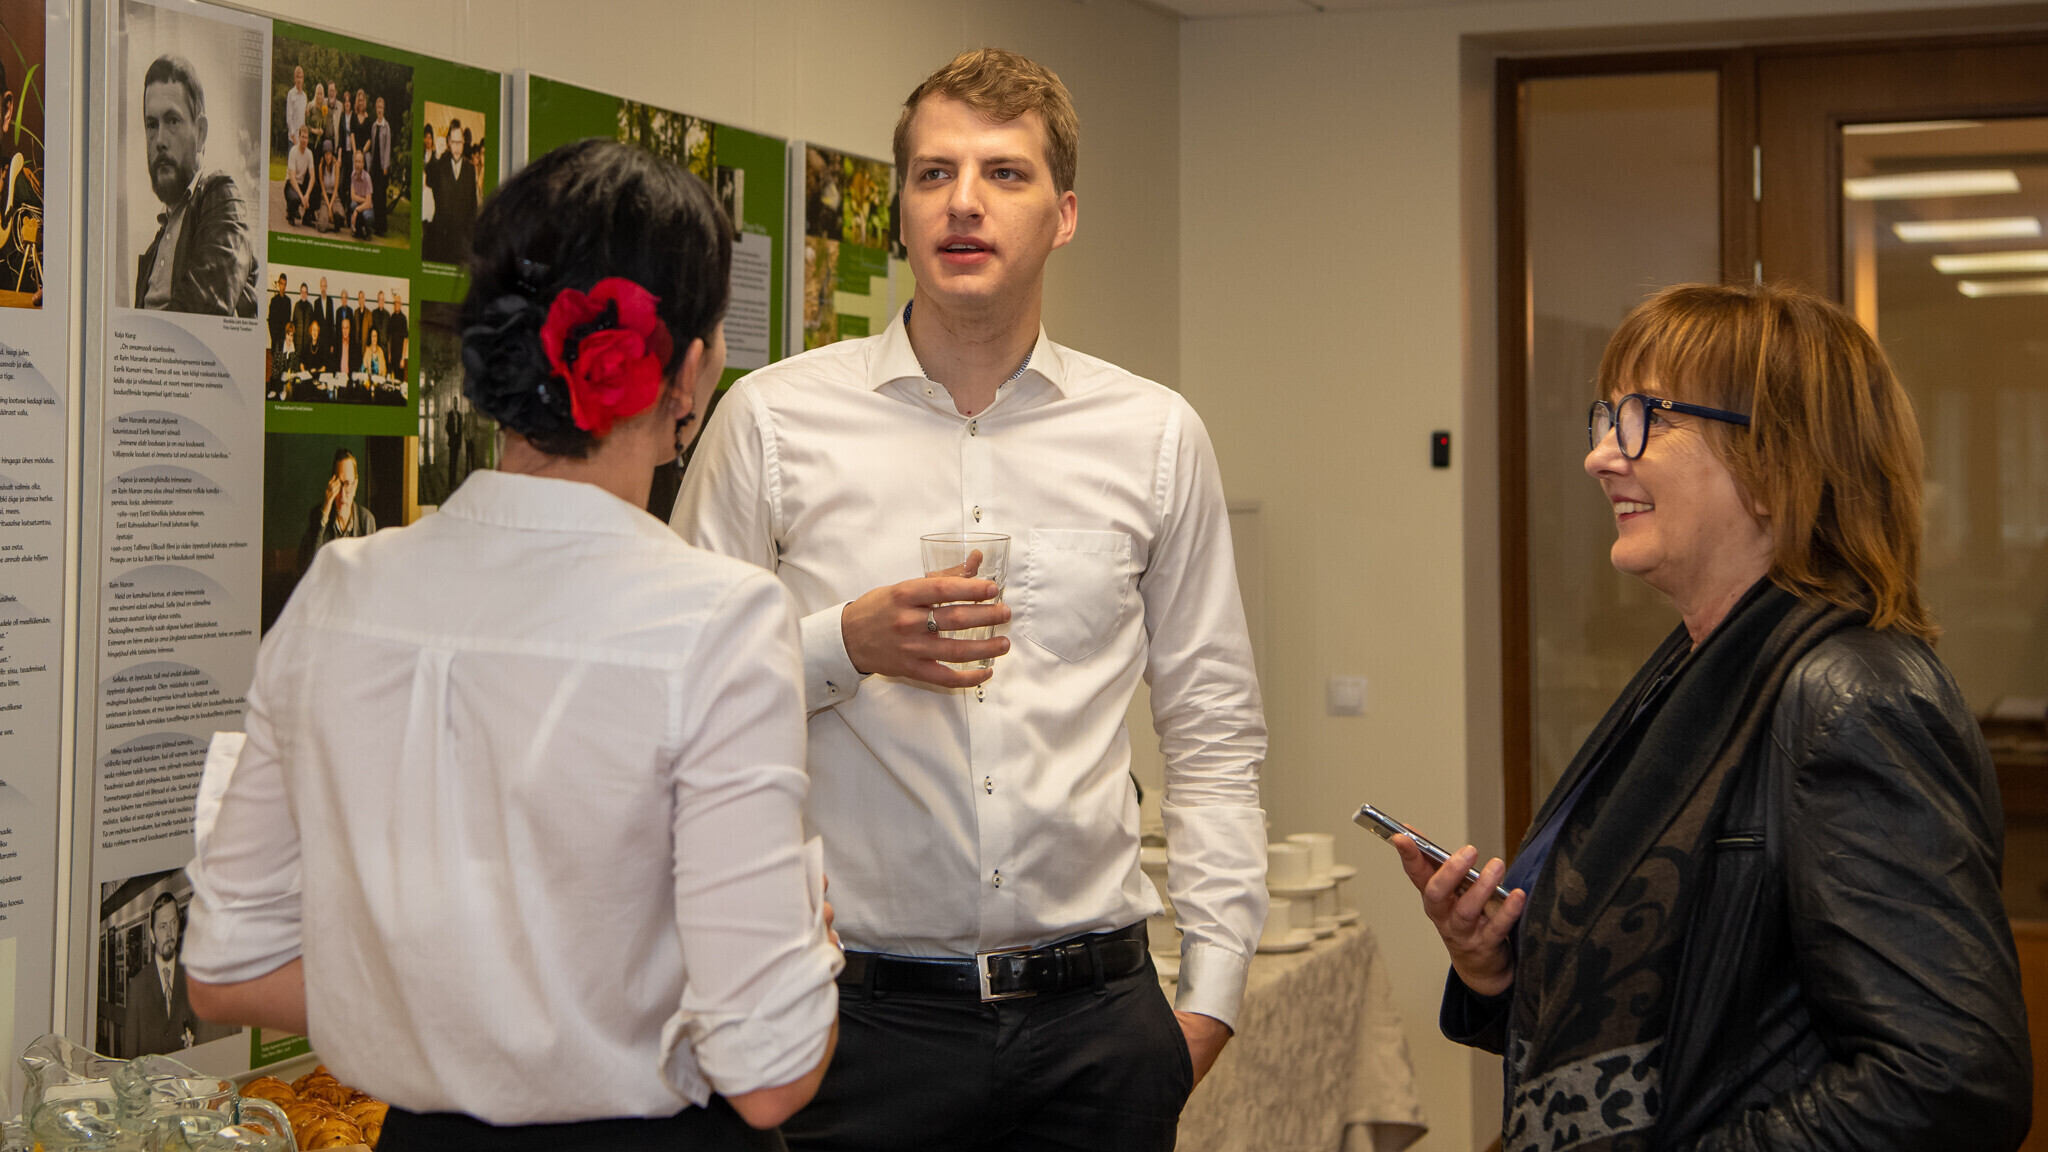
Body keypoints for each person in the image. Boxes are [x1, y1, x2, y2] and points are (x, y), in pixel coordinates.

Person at [186, 138, 841, 1151]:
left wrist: (459, 1007)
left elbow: (228, 972)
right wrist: (804, 943)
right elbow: (772, 1078)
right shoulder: (720, 622)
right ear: (689, 371)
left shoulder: (338, 591)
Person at [674, 48, 1266, 1152]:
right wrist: (842, 644)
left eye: (1004, 173)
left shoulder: (1152, 436)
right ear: (898, 210)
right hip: (851, 1026)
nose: (963, 201)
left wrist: (1211, 997)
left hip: (1096, 1028)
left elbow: (1213, 726)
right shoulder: (770, 422)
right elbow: (673, 698)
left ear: (1064, 214)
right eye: (934, 173)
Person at [1400, 282, 2032, 1152]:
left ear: (1776, 468)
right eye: (1607, 417)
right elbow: (1689, 1008)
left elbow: (1951, 1082)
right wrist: (1494, 970)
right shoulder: (1697, 671)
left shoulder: (1853, 697)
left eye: (1646, 419)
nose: (1600, 457)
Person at [133, 54, 257, 317]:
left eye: (172, 121)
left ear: (200, 132)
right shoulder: (154, 248)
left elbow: (200, 314)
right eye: (151, 125)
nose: (159, 140)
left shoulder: (224, 200)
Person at [120, 894, 204, 1056]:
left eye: (173, 923)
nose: (170, 933)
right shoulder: (138, 986)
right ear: (152, 935)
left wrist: (195, 1045)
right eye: (163, 926)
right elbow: (130, 1052)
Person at [283, 123, 316, 227]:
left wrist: (307, 195)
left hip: (302, 184)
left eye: (306, 138)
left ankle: (307, 218)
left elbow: (312, 176)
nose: (304, 140)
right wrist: (302, 197)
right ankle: (290, 214)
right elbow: (292, 178)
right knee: (295, 199)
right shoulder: (293, 151)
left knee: (316, 189)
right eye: (302, 137)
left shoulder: (309, 154)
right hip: (291, 185)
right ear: (299, 137)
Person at [370, 96, 392, 236]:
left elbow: (388, 147)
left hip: (382, 167)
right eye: (378, 107)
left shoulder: (386, 126)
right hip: (374, 166)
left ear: (384, 110)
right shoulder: (374, 126)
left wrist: (385, 166)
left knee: (381, 197)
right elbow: (373, 146)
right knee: (375, 197)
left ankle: (382, 228)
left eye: (381, 108)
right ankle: (374, 224)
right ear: (376, 109)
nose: (379, 110)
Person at [266, 273, 290, 379]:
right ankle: (274, 386)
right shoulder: (274, 301)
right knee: (275, 370)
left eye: (285, 284)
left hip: (284, 341)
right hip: (276, 340)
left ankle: (282, 387)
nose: (283, 286)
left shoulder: (288, 301)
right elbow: (270, 322)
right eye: (281, 283)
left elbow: (288, 323)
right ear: (278, 284)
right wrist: (274, 338)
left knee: (283, 368)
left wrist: (286, 339)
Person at [348, 150, 375, 239]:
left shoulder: (367, 178)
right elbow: (352, 196)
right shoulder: (353, 175)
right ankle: (358, 230)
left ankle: (368, 232)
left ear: (363, 164)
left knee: (366, 216)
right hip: (359, 203)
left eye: (359, 162)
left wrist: (357, 210)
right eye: (356, 161)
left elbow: (368, 203)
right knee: (352, 204)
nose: (357, 164)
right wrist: (365, 200)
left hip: (368, 208)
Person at [317, 139, 339, 232]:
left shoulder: (336, 165)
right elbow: (323, 189)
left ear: (332, 154)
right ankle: (322, 213)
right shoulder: (321, 166)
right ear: (323, 155)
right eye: (326, 154)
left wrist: (330, 206)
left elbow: (336, 188)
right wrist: (329, 207)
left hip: (334, 196)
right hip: (325, 196)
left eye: (329, 154)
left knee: (340, 215)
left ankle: (333, 216)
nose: (328, 156)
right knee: (322, 227)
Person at [284, 65, 307, 148]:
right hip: (292, 140)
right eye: (297, 77)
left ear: (303, 79)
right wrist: (294, 139)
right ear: (294, 79)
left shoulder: (304, 96)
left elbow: (303, 119)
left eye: (300, 77)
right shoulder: (291, 94)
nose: (299, 80)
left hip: (302, 140)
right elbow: (289, 119)